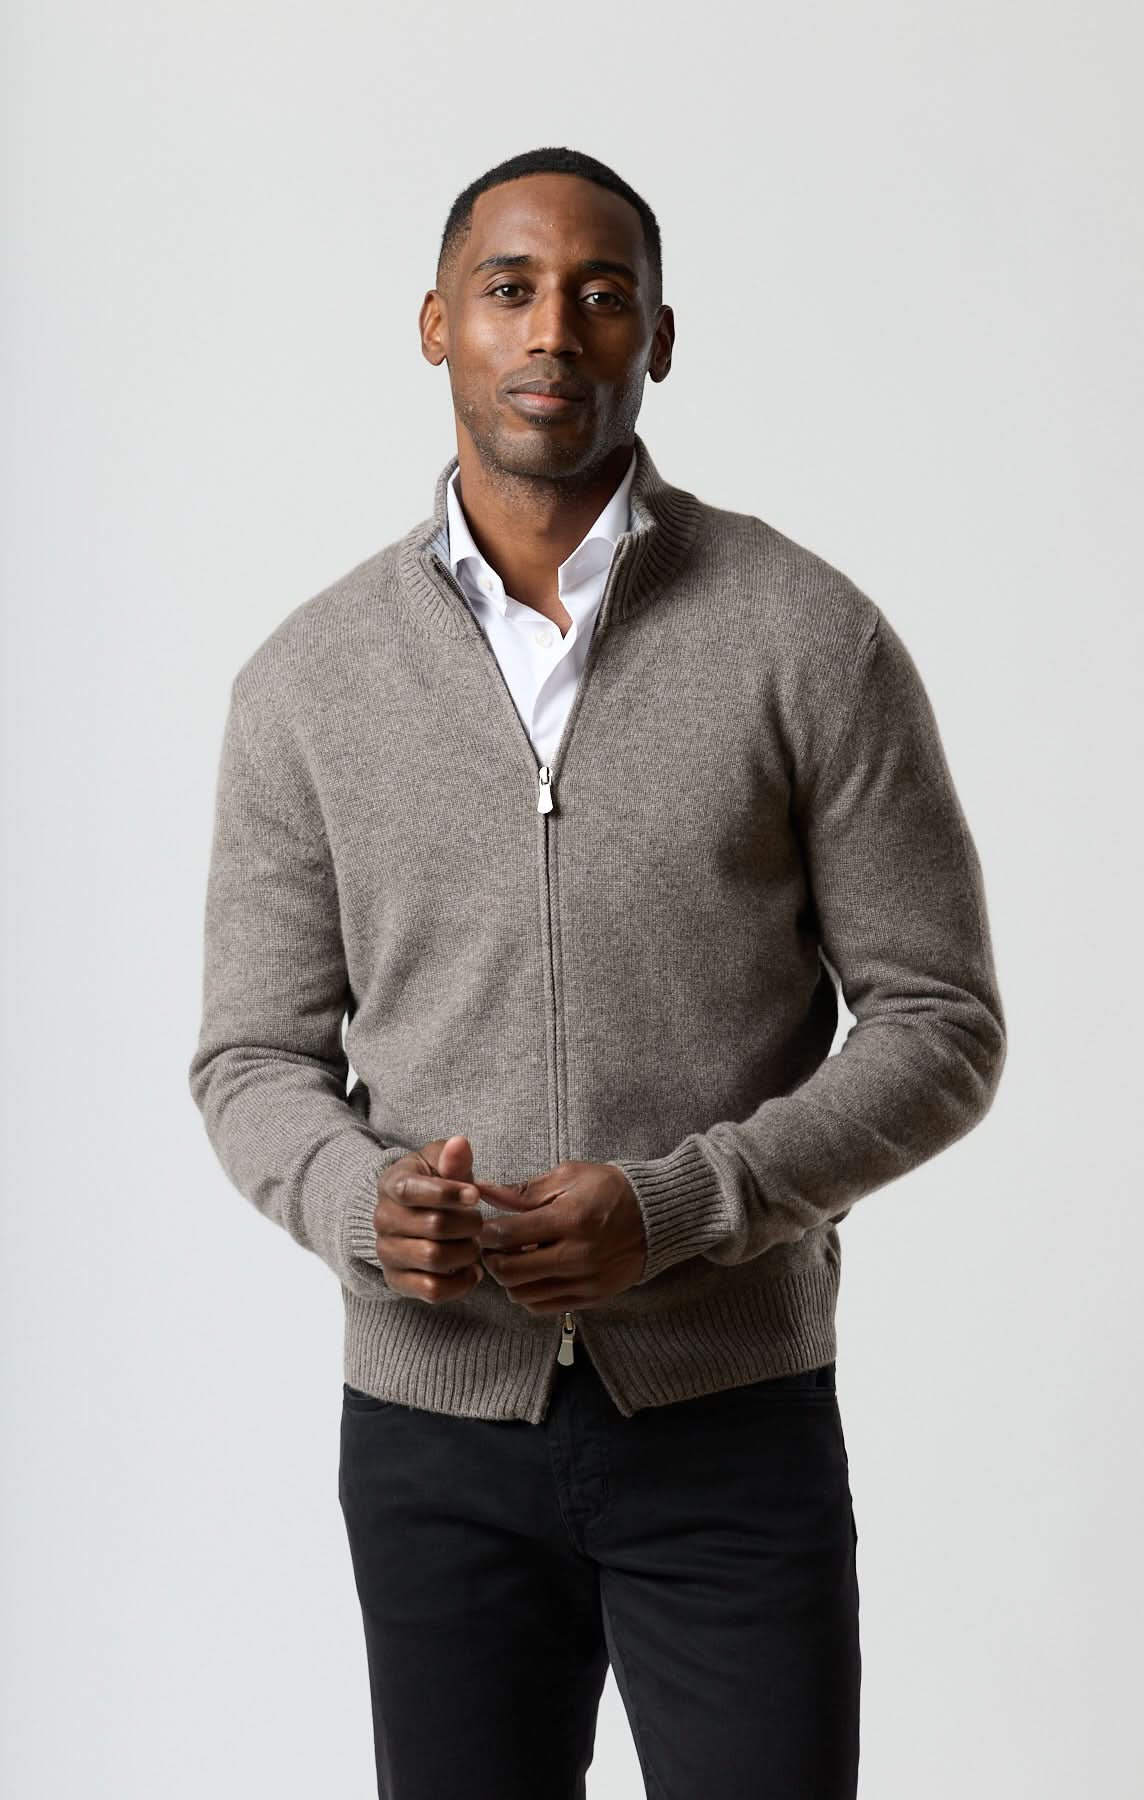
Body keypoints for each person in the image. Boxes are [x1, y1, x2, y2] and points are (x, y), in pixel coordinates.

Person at [188, 144, 1007, 1800]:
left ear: (661, 338)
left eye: (602, 293)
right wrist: (360, 1203)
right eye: (509, 290)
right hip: (430, 1436)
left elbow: (939, 1020)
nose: (554, 329)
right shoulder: (306, 682)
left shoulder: (806, 635)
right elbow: (251, 1057)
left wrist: (682, 1205)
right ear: (438, 323)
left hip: (731, 1419)